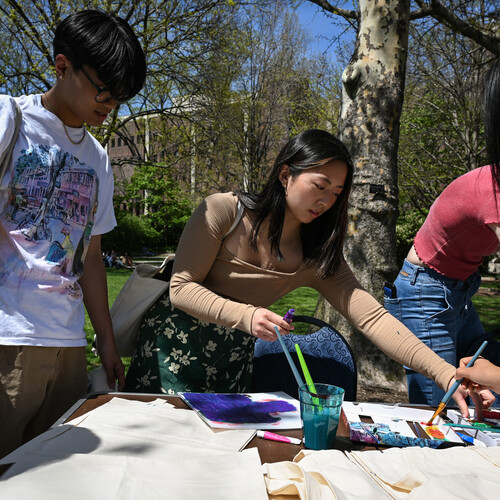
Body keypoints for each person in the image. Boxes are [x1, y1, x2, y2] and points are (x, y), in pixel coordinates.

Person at [125, 129, 491, 415]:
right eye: (320, 186)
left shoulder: (316, 256)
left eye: (336, 193)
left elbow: (375, 319)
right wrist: (248, 315)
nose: (327, 201)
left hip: (232, 360)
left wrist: (445, 373)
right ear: (286, 175)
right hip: (170, 349)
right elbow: (182, 288)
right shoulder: (222, 211)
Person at [0, 9, 146, 459]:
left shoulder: (100, 158)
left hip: (67, 341)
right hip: (9, 338)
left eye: (120, 95)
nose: (110, 104)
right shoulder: (11, 120)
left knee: (52, 474)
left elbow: (93, 256)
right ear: (62, 66)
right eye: (103, 88)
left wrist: (104, 339)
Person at [384, 57, 500, 407]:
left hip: (460, 288)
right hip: (426, 289)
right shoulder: (493, 191)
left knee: (480, 393)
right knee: (439, 407)